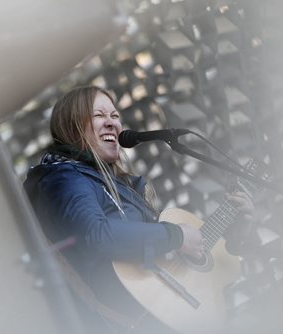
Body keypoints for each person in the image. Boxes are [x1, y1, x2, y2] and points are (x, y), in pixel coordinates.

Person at [23, 85, 253, 333]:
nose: (112, 123)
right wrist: (175, 236)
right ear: (71, 126)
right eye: (99, 115)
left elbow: (179, 260)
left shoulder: (120, 185)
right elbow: (96, 234)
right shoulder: (64, 177)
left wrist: (239, 227)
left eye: (115, 116)